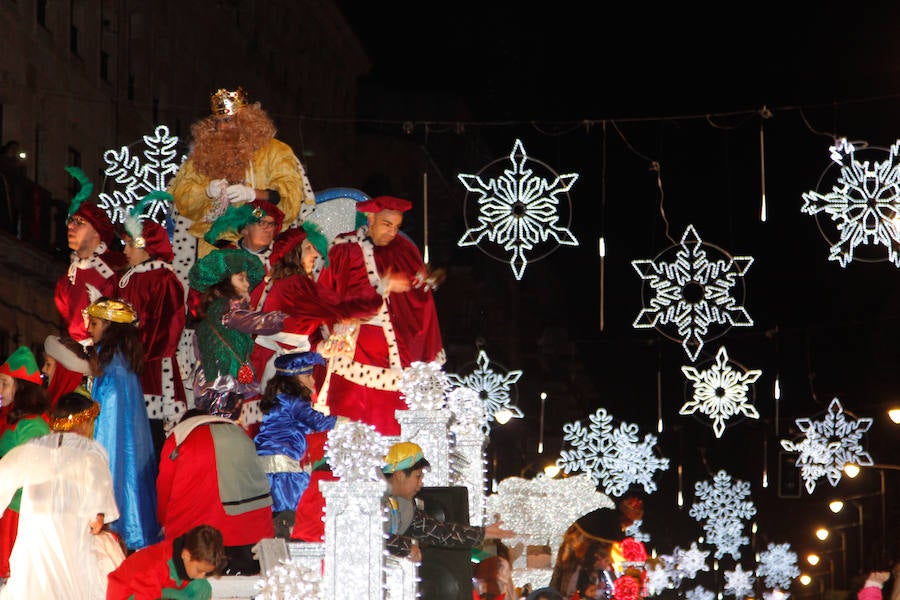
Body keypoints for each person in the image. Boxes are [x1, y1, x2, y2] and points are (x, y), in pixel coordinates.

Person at [317, 196, 445, 435]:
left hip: (397, 351)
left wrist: (420, 286)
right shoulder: (345, 248)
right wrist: (381, 287)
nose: (392, 232)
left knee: (393, 423)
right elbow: (336, 297)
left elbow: (416, 298)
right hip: (356, 346)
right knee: (352, 420)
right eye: (387, 224)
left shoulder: (405, 250)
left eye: (397, 227)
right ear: (371, 218)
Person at [167, 86, 314, 257]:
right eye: (217, 121)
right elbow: (181, 199)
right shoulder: (203, 155)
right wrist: (206, 192)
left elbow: (290, 199)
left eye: (228, 121)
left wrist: (253, 194)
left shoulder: (275, 152)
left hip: (263, 249)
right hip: (211, 251)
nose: (221, 128)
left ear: (247, 122)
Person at [0, 391, 120, 599]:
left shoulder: (33, 450)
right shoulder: (92, 457)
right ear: (84, 424)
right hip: (69, 550)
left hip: (34, 548)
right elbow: (96, 521)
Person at [248, 221, 381, 394]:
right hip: (281, 369)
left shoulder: (280, 282)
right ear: (294, 252)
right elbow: (342, 307)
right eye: (309, 247)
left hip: (276, 362)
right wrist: (381, 289)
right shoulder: (296, 284)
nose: (316, 253)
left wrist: (321, 346)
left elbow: (300, 330)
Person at [85, 297, 162, 551]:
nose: (89, 330)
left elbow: (107, 437)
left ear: (109, 325)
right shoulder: (120, 364)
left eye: (94, 323)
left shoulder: (112, 371)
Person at [157, 409, 274, 575]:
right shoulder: (241, 435)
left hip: (198, 543)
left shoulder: (179, 438)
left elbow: (164, 489)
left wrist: (162, 522)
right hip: (250, 538)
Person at [118, 194, 188, 449]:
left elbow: (168, 326)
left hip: (153, 370)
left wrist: (137, 352)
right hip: (129, 363)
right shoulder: (128, 279)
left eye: (129, 245)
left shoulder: (163, 279)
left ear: (144, 245)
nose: (125, 251)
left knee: (152, 435)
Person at [187, 247, 286, 426]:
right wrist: (283, 316)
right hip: (223, 382)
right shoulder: (228, 310)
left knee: (220, 424)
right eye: (241, 278)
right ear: (225, 283)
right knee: (222, 424)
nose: (247, 284)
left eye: (247, 278)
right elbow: (253, 322)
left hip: (218, 380)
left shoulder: (213, 311)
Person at [254, 350, 344, 538]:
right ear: (293, 378)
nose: (312, 381)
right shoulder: (293, 401)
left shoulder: (278, 398)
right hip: (284, 468)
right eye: (307, 375)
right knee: (290, 518)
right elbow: (318, 422)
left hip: (266, 467)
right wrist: (345, 422)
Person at [382, 441, 513, 561]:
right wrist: (405, 547)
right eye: (418, 476)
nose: (420, 484)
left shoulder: (405, 506)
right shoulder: (372, 498)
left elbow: (439, 532)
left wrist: (481, 533)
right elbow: (372, 535)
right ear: (399, 475)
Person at [54, 166, 127, 344]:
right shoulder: (68, 277)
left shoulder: (114, 272)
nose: (71, 227)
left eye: (79, 222)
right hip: (73, 354)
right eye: (70, 221)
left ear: (97, 232)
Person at [0, 346, 50, 579]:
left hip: (18, 513)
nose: (0, 389)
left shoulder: (33, 426)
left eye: (4, 383)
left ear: (21, 387)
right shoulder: (15, 418)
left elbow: (36, 475)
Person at [107, 523, 227, 600]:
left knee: (202, 587)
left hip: (154, 589)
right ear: (186, 555)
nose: (202, 576)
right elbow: (145, 596)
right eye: (200, 571)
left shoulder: (183, 552)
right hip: (129, 595)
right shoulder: (155, 567)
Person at [203, 198, 285, 271]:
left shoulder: (283, 257)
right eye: (261, 222)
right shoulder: (224, 258)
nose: (268, 229)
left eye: (271, 224)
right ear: (245, 229)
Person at [42, 334, 91, 407]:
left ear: (63, 371)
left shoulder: (77, 403)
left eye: (48, 364)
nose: (43, 369)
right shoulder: (55, 397)